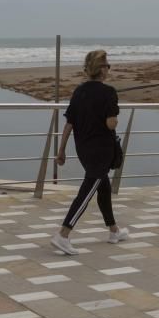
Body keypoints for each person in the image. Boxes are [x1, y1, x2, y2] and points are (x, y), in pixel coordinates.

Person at [50, 49, 128, 255]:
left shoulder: (79, 91)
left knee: (103, 187)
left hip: (83, 149)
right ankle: (63, 234)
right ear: (101, 70)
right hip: (101, 151)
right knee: (86, 192)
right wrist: (114, 117)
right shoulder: (109, 92)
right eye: (107, 65)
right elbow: (111, 124)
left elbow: (70, 123)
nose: (108, 69)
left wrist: (61, 150)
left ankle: (114, 231)